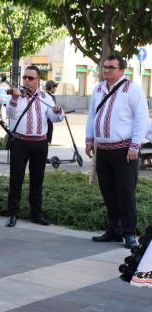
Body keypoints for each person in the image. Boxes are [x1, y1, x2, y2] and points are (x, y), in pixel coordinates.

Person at [86, 54, 148, 249]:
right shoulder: (98, 88)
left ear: (121, 70)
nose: (106, 70)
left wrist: (135, 145)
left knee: (126, 192)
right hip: (102, 149)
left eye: (111, 68)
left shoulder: (132, 89)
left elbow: (141, 118)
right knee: (108, 191)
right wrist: (89, 140)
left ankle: (130, 233)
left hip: (124, 150)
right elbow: (91, 115)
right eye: (104, 67)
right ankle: (114, 230)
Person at [5, 65, 64, 228]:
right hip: (20, 142)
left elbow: (54, 117)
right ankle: (12, 214)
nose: (26, 81)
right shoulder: (17, 95)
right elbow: (10, 114)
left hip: (40, 142)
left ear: (38, 80)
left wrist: (58, 112)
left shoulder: (46, 97)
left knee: (37, 180)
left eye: (30, 78)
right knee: (16, 179)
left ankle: (36, 214)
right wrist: (15, 99)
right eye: (24, 77)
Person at [45, 80, 58, 144]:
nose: (56, 89)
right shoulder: (51, 97)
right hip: (48, 123)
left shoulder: (43, 95)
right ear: (52, 87)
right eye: (55, 87)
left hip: (44, 123)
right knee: (46, 143)